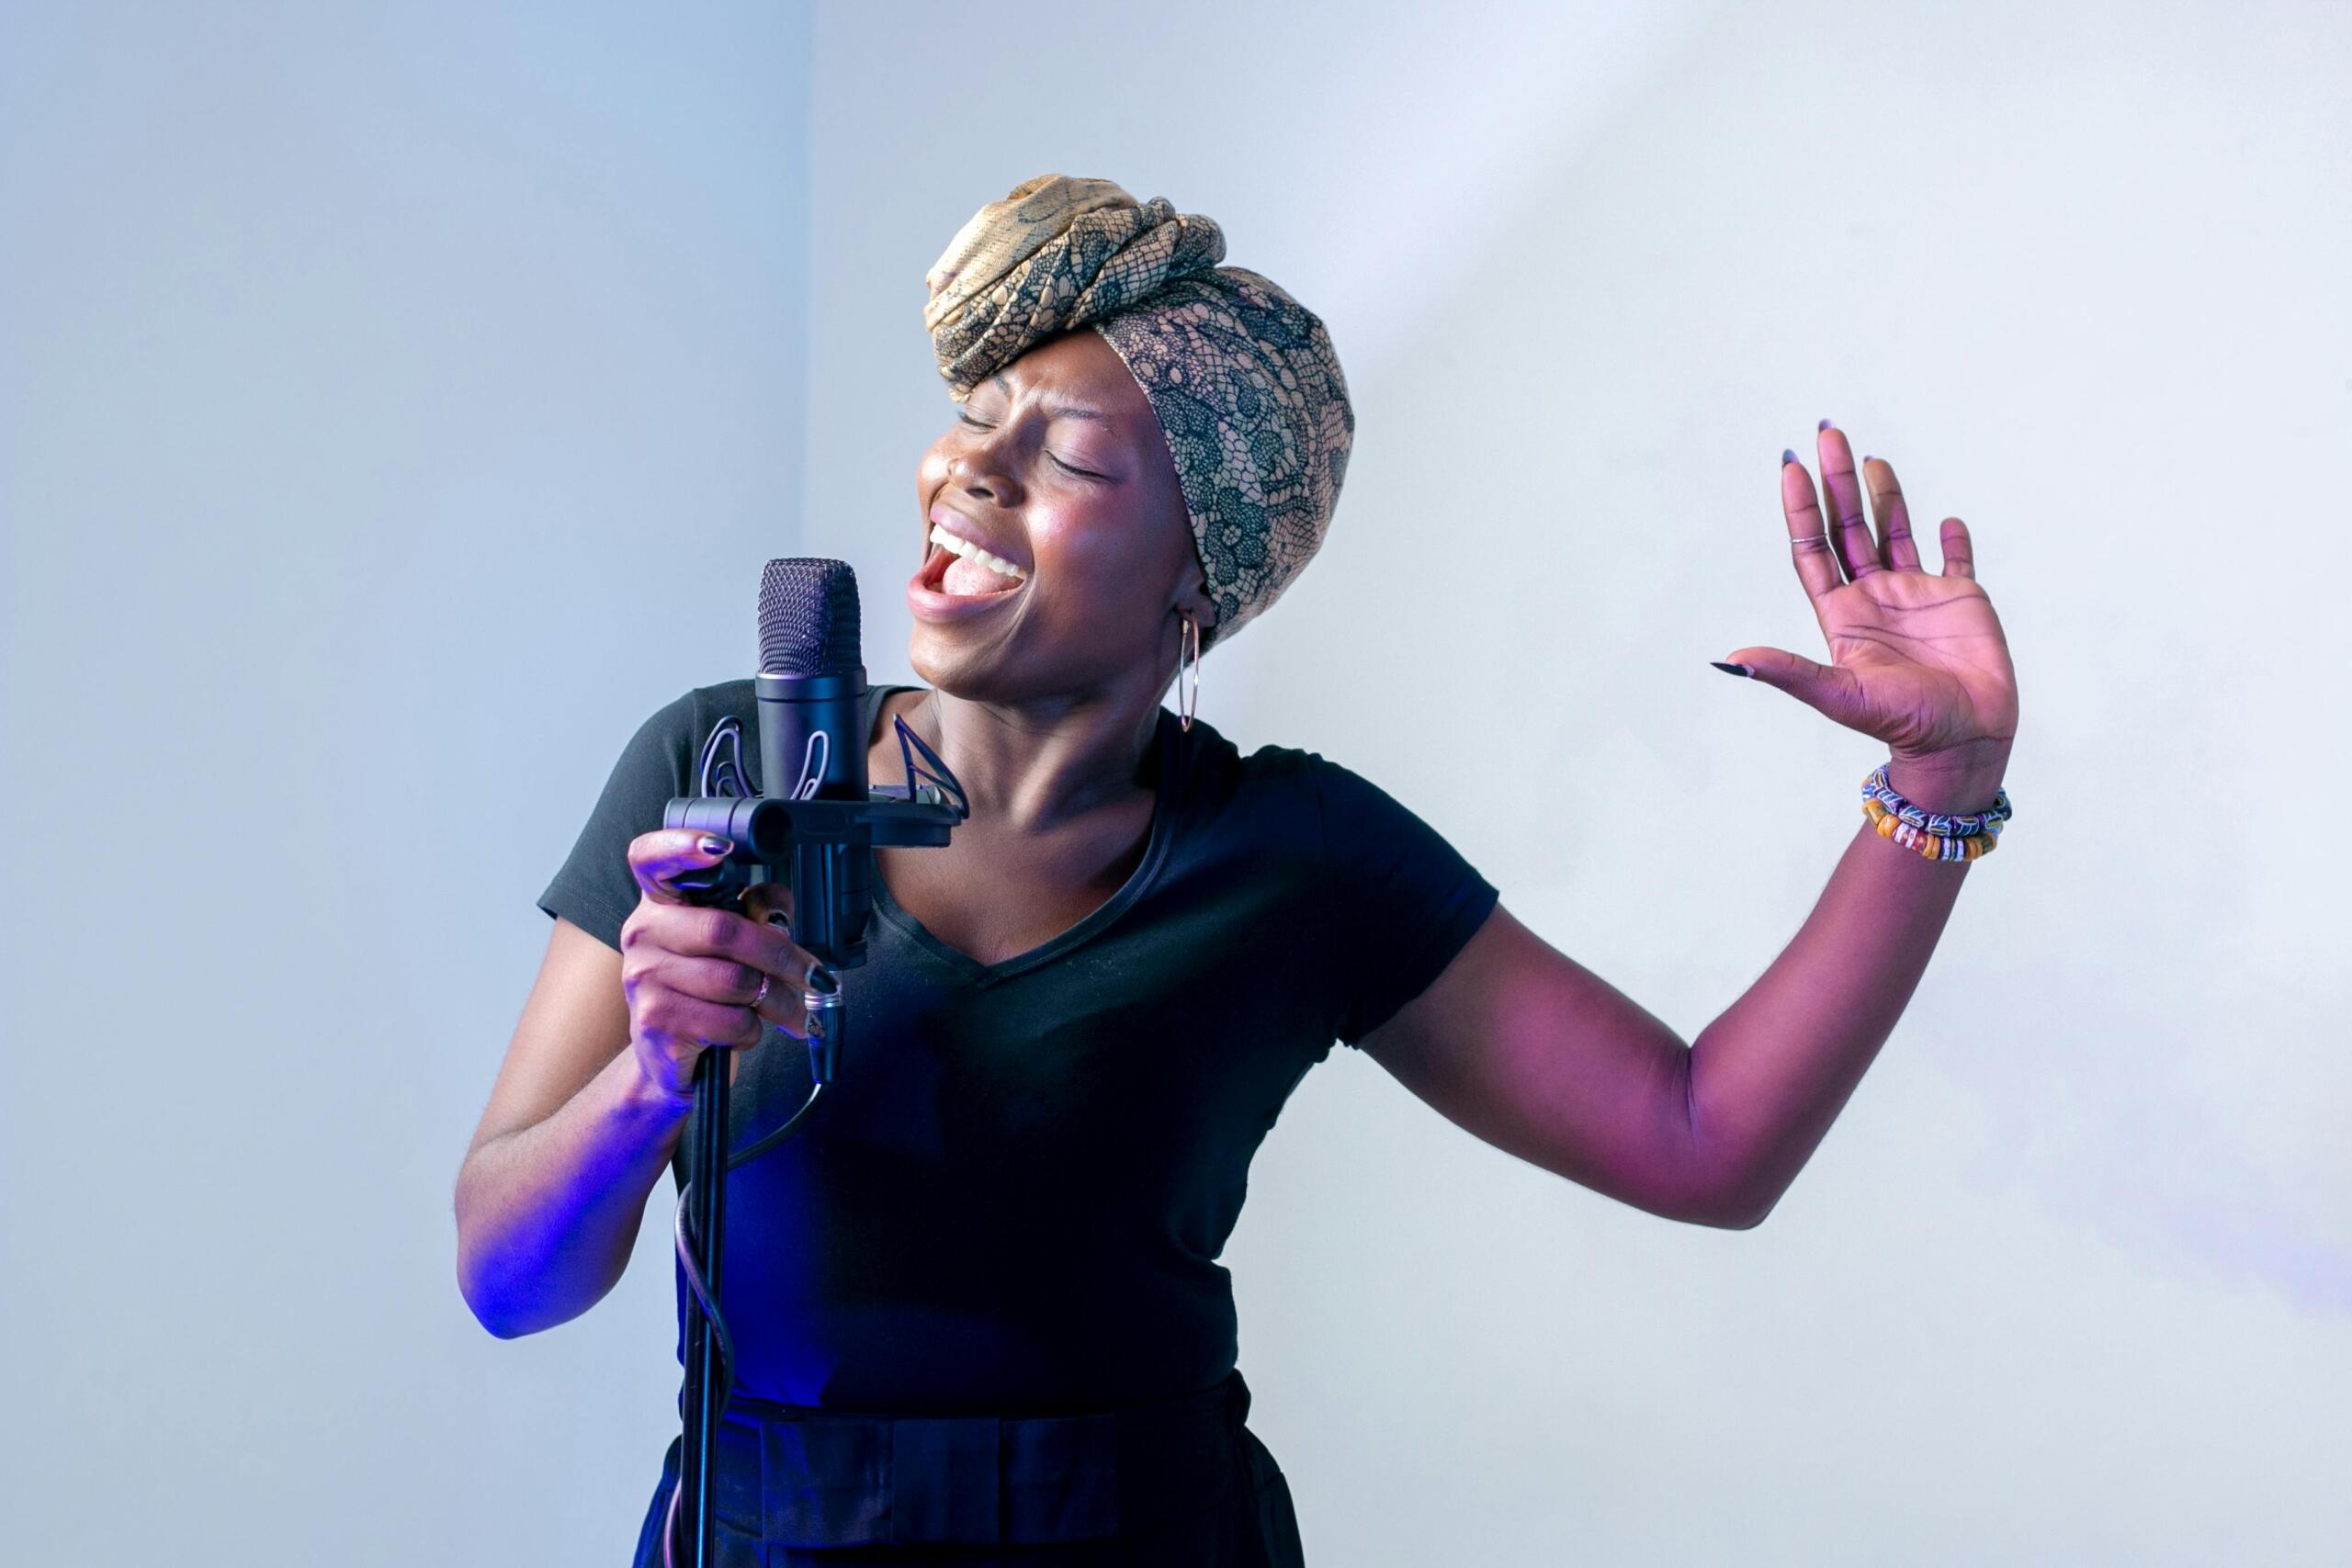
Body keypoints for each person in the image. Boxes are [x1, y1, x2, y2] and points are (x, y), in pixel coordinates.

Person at [452, 175, 2019, 1566]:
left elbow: (1702, 1142)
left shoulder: (1297, 858)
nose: (966, 471)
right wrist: (648, 1083)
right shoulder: (718, 780)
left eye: (1061, 455)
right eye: (977, 413)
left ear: (1199, 573)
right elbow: (504, 1279)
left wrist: (1939, 785)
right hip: (767, 1538)